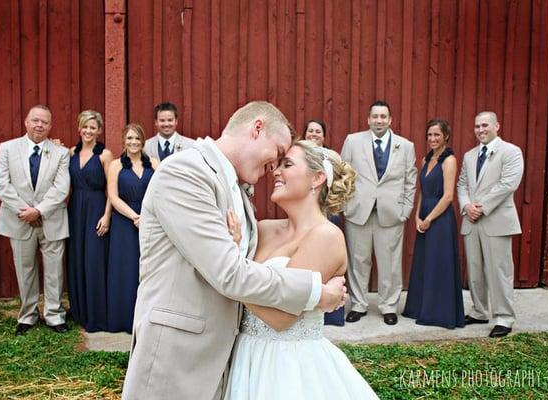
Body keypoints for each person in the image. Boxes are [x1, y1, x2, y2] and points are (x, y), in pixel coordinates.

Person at [121, 101, 347, 400]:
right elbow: (228, 272)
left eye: (285, 162)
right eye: (278, 153)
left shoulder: (237, 190)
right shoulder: (186, 172)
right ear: (257, 129)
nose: (274, 168)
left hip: (228, 361)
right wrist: (317, 293)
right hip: (177, 357)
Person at [223, 140, 378, 399]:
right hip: (245, 356)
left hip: (288, 366)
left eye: (288, 164)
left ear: (317, 178)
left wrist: (228, 269)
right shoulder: (263, 229)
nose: (275, 172)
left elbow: (281, 317)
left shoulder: (326, 236)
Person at [0, 105, 70, 335]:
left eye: (44, 122)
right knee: (24, 268)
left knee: (54, 269)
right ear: (26, 122)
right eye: (35, 120)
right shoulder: (7, 148)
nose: (39, 125)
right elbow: (1, 184)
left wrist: (39, 211)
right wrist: (25, 211)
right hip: (19, 220)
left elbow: (61, 187)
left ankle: (54, 315)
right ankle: (27, 315)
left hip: (51, 219)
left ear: (50, 126)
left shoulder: (60, 153)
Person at [341, 100, 417, 325]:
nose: (379, 120)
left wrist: (405, 211)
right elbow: (342, 175)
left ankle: (388, 306)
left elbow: (410, 181)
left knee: (390, 263)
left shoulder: (405, 146)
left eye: (383, 116)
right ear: (368, 119)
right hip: (358, 212)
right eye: (375, 116)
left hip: (391, 214)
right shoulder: (353, 141)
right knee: (358, 261)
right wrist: (346, 206)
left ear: (390, 120)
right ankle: (358, 304)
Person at [457, 111, 524, 338]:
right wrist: (466, 206)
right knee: (475, 270)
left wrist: (480, 207)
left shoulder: (511, 152)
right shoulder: (469, 155)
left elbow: (508, 184)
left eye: (485, 125)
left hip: (496, 219)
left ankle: (504, 317)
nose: (481, 130)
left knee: (499, 271)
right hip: (472, 220)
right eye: (477, 126)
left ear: (497, 126)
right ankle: (479, 310)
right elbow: (462, 184)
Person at [402, 119, 465, 329]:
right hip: (425, 215)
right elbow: (422, 192)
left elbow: (448, 196)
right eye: (429, 135)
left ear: (446, 136)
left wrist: (429, 219)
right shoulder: (425, 159)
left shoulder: (449, 160)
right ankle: (421, 307)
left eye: (437, 135)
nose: (432, 139)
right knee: (425, 262)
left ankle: (439, 312)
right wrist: (417, 216)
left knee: (439, 263)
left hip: (440, 219)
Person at [106, 123, 159, 333]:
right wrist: (135, 216)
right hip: (124, 222)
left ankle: (147, 318)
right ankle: (123, 318)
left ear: (143, 141)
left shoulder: (154, 164)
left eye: (137, 138)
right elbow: (113, 196)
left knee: (149, 269)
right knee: (126, 269)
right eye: (129, 138)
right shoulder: (116, 165)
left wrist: (147, 217)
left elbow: (161, 192)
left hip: (151, 221)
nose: (133, 142)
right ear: (124, 141)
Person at [67, 110, 114, 332]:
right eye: (84, 126)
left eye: (93, 127)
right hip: (75, 209)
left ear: (99, 130)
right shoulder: (70, 153)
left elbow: (111, 189)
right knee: (77, 258)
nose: (88, 131)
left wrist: (107, 215)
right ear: (79, 128)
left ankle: (96, 313)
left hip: (97, 208)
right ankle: (79, 312)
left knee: (94, 259)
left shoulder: (104, 155)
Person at [303, 118, 345, 326]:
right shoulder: (299, 156)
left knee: (328, 257)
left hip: (327, 211)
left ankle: (333, 311)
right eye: (310, 131)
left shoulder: (331, 157)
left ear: (324, 136)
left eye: (317, 131)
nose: (313, 134)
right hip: (306, 213)